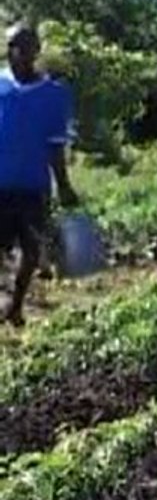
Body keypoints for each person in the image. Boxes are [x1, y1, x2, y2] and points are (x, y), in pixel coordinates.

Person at [0, 23, 79, 325]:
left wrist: (65, 185)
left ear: (35, 51)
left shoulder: (54, 95)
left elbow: (55, 146)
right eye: (9, 45)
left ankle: (16, 307)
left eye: (19, 45)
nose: (12, 52)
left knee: (32, 251)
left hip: (33, 185)